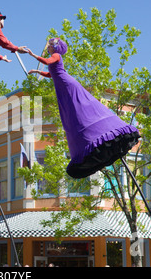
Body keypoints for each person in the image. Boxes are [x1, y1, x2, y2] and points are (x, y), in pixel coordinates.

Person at [27, 38, 140, 179]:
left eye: (50, 45)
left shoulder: (56, 56)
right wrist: (37, 72)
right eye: (49, 45)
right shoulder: (54, 59)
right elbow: (52, 74)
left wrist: (32, 55)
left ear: (55, 48)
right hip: (62, 86)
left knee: (76, 106)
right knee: (69, 110)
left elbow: (48, 63)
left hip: (67, 86)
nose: (48, 47)